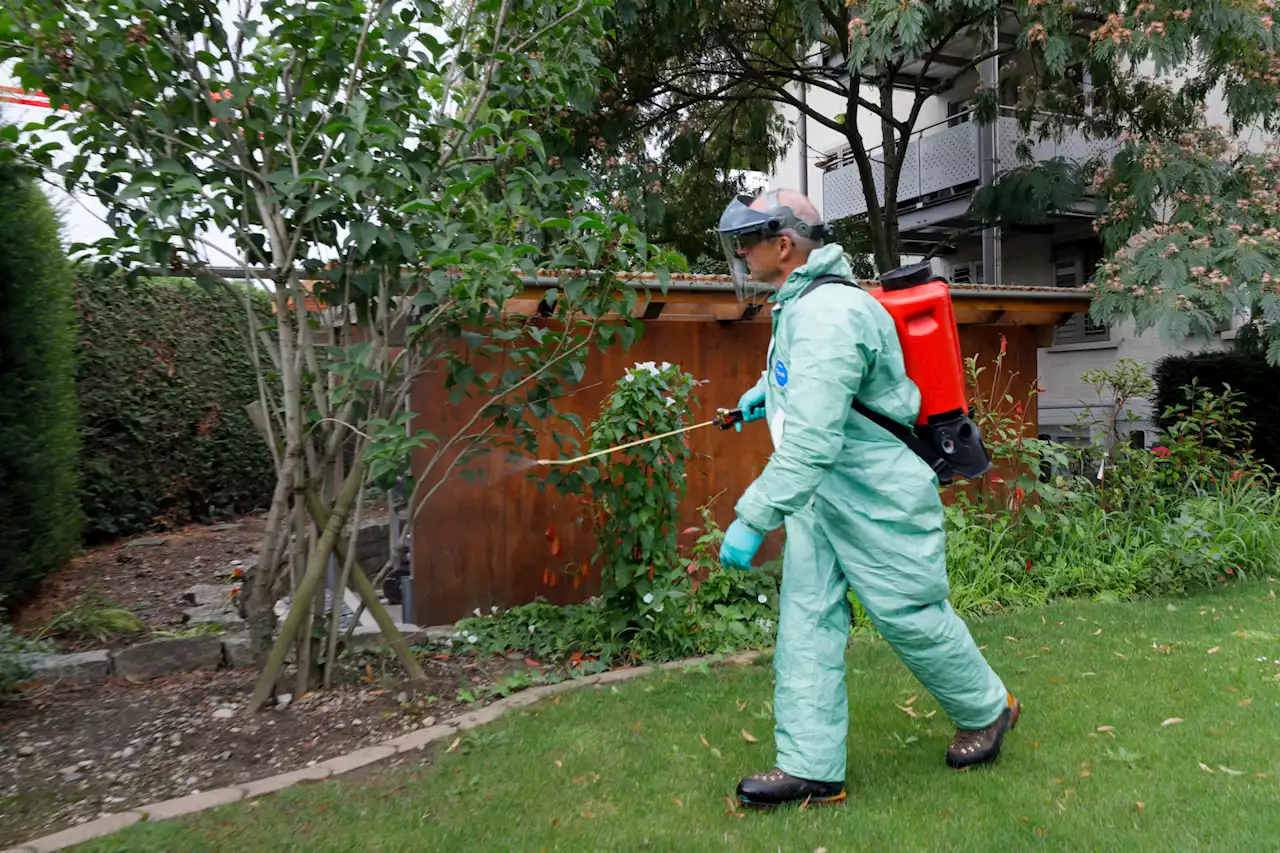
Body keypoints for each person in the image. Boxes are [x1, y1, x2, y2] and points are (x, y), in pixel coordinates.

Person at [715, 189, 1020, 810]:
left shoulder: (830, 314)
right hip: (823, 500)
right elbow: (811, 381)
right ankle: (811, 768)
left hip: (876, 497)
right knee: (806, 625)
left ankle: (989, 708)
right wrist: (762, 393)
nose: (740, 253)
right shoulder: (802, 306)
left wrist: (751, 518)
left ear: (784, 244)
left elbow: (815, 444)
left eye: (748, 241)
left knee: (910, 614)